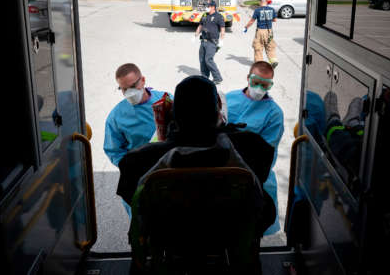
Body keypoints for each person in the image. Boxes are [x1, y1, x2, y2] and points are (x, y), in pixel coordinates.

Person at [117, 75, 276, 226]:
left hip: (170, 235)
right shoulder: (251, 145)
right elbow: (261, 178)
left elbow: (130, 194)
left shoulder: (140, 159)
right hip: (231, 233)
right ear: (218, 107)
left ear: (174, 112)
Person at [226, 61, 284, 235]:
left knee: (251, 232)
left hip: (256, 176)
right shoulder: (229, 99)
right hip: (224, 171)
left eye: (265, 85)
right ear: (248, 79)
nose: (259, 88)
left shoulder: (274, 113)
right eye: (255, 82)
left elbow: (265, 154)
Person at [103, 63, 168, 217]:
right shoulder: (117, 116)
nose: (130, 93)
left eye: (133, 86)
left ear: (143, 80)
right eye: (124, 89)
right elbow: (114, 151)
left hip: (168, 171)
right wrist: (133, 169)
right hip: (140, 177)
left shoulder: (166, 100)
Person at [194, 0, 225, 85]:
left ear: (213, 7)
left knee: (208, 60)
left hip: (212, 42)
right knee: (202, 60)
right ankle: (204, 77)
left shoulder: (219, 16)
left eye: (207, 6)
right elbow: (200, 26)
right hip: (203, 41)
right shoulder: (204, 15)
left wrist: (221, 41)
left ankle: (217, 78)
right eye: (205, 6)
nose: (206, 8)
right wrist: (195, 35)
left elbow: (222, 29)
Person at [243, 0, 278, 68]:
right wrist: (268, 20)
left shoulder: (257, 10)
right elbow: (274, 20)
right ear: (266, 2)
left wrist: (246, 27)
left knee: (258, 47)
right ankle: (273, 61)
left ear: (260, 2)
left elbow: (252, 21)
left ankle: (259, 64)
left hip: (260, 31)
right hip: (269, 31)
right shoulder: (272, 9)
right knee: (270, 47)